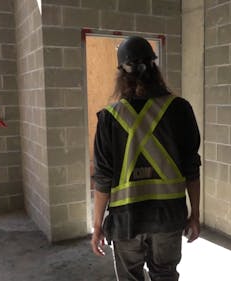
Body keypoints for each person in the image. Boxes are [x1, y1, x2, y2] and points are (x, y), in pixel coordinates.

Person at [91, 36, 201, 281]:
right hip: (168, 216)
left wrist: (97, 226)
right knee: (165, 275)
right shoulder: (180, 109)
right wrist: (195, 214)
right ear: (155, 68)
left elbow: (103, 178)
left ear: (122, 74)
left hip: (126, 220)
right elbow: (192, 168)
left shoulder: (109, 118)